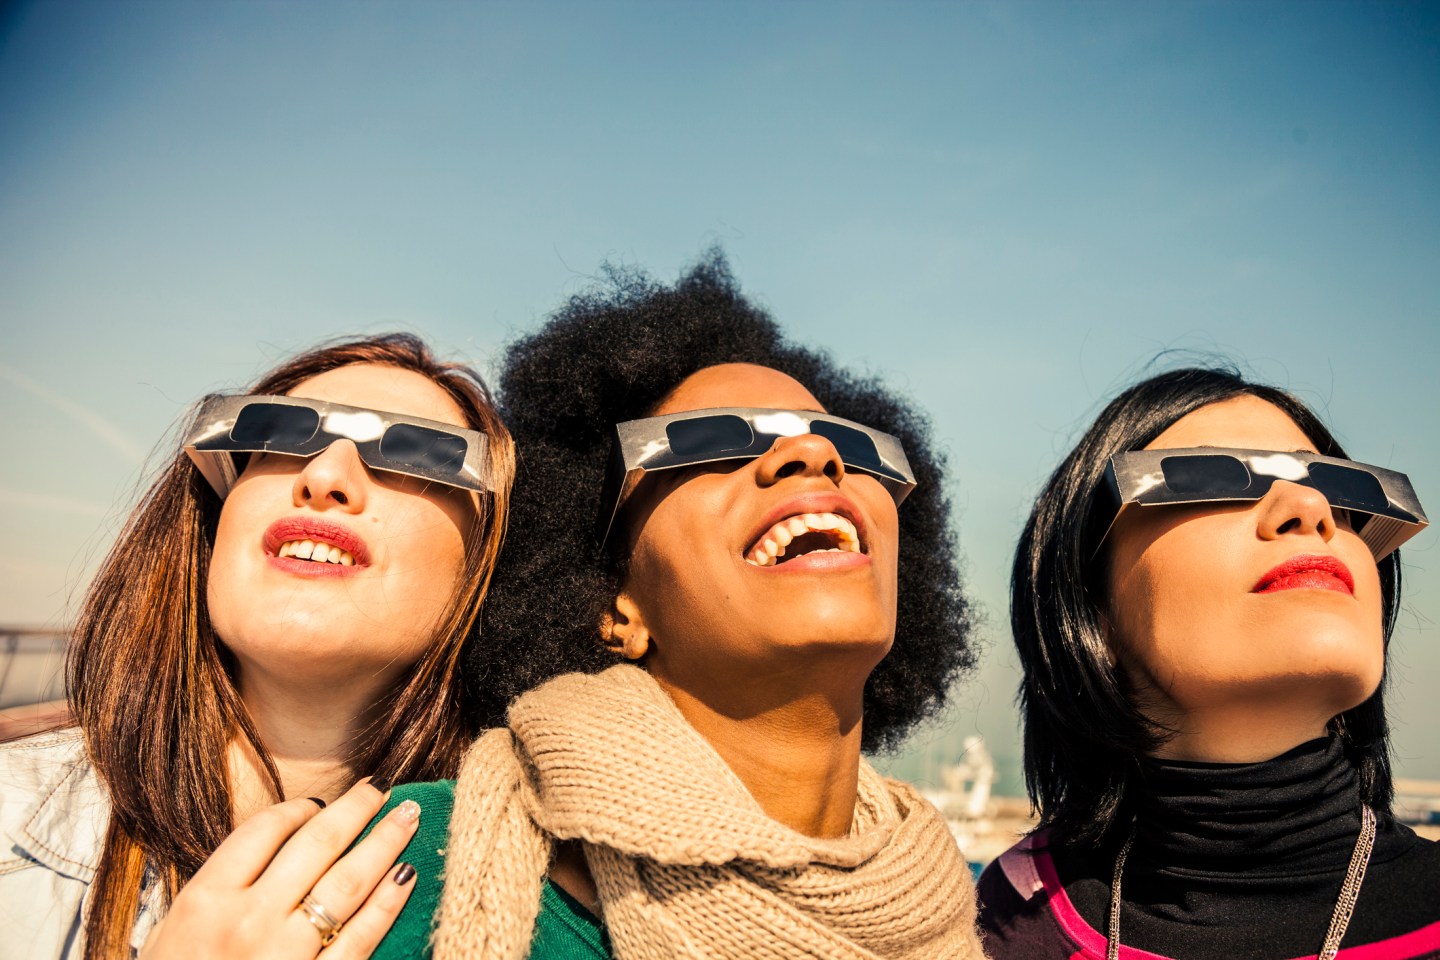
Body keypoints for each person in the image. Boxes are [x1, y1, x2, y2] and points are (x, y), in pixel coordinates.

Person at [367, 253, 985, 959]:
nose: (814, 454)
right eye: (712, 442)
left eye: (847, 442)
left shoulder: (963, 919)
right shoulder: (392, 881)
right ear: (613, 605)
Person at [0, 333, 515, 959]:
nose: (325, 476)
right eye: (282, 434)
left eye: (415, 451)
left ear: (487, 562)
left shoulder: (568, 902)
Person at [978, 367, 1440, 959]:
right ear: (1091, 605)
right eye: (1215, 476)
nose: (1309, 506)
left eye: (1340, 488)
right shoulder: (1000, 918)